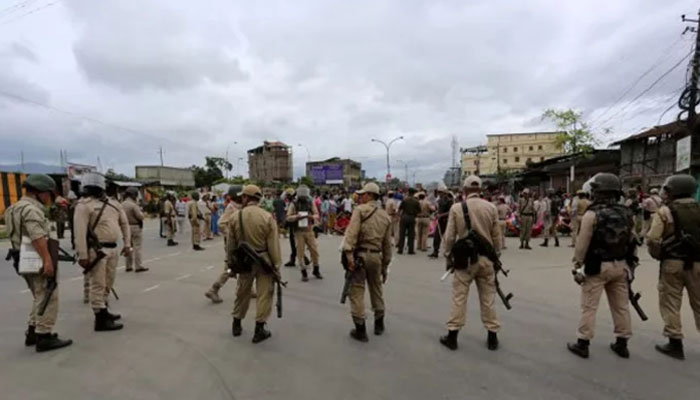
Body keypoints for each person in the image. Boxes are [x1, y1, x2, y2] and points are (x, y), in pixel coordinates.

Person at [566, 173, 635, 359]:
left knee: (589, 307)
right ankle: (622, 343)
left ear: (597, 192)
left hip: (597, 266)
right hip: (620, 265)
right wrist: (631, 265)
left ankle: (583, 343)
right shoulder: (626, 212)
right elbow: (632, 241)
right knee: (621, 306)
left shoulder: (592, 213)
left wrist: (577, 264)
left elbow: (582, 243)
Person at [5, 174, 73, 352]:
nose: (48, 198)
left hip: (21, 257)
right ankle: (44, 335)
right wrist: (47, 260)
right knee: (49, 295)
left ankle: (33, 332)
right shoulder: (31, 210)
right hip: (35, 257)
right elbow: (37, 237)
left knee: (39, 296)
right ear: (40, 193)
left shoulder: (13, 208)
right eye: (47, 194)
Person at [439, 175, 502, 351]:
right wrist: (496, 256)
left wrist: (447, 256)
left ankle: (452, 336)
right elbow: (497, 236)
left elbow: (450, 236)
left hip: (464, 261)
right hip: (486, 259)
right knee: (488, 298)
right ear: (480, 190)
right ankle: (492, 337)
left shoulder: (457, 208)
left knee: (459, 298)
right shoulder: (491, 208)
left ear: (465, 191)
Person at [646, 174, 700, 360]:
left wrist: (658, 254)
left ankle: (675, 343)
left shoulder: (665, 212)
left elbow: (653, 238)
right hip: (698, 264)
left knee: (670, 303)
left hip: (672, 263)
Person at [74, 172, 130, 332]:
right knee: (98, 284)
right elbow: (79, 232)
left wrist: (127, 244)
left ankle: (104, 309)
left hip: (113, 248)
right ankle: (100, 318)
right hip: (97, 250)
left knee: (109, 282)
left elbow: (124, 224)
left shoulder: (113, 204)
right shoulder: (84, 206)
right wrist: (83, 255)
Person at [230, 185, 282, 343]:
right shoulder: (267, 217)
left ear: (246, 198)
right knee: (264, 294)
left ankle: (236, 324)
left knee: (242, 292)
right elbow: (273, 245)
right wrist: (276, 266)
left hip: (243, 261)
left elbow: (230, 246)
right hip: (263, 261)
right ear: (258, 199)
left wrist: (231, 265)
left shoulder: (235, 217)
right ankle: (259, 329)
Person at [342, 183, 393, 342]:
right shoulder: (385, 216)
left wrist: (349, 256)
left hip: (360, 257)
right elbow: (387, 245)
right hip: (376, 257)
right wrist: (385, 266)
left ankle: (360, 329)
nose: (360, 196)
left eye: (363, 194)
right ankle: (379, 323)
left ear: (370, 195)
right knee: (376, 288)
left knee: (356, 290)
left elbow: (351, 234)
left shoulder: (360, 210)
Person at [205, 185, 245, 303]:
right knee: (229, 269)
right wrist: (232, 236)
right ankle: (213, 289)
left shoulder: (239, 206)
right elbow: (221, 223)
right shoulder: (231, 207)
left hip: (240, 244)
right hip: (233, 245)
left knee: (245, 266)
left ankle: (249, 289)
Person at [286, 185, 323, 281]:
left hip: (309, 229)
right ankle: (304, 272)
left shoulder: (311, 203)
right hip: (298, 231)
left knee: (314, 250)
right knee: (300, 252)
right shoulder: (294, 204)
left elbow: (316, 215)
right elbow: (288, 217)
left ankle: (316, 269)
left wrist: (311, 217)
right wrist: (297, 217)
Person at [122, 187, 148, 273]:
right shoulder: (133, 205)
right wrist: (143, 213)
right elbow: (140, 216)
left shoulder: (122, 204)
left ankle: (128, 266)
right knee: (137, 247)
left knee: (128, 246)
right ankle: (138, 266)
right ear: (133, 195)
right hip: (135, 227)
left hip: (125, 227)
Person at [430, 184, 453, 258]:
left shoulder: (450, 201)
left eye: (441, 192)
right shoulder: (439, 201)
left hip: (446, 221)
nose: (439, 194)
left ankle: (449, 252)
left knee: (448, 237)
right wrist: (437, 213)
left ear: (445, 193)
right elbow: (439, 210)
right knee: (436, 236)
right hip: (440, 221)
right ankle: (435, 251)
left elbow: (451, 211)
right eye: (439, 192)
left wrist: (441, 215)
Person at [397, 188, 420, 255]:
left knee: (402, 234)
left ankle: (400, 249)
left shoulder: (404, 200)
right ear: (413, 193)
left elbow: (400, 208)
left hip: (404, 217)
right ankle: (410, 250)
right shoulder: (416, 201)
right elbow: (419, 210)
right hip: (412, 217)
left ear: (408, 192)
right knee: (411, 234)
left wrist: (399, 216)